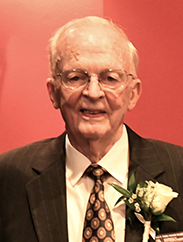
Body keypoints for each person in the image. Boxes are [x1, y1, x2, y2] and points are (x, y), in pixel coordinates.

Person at [0, 16, 183, 242]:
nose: (93, 93)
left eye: (110, 78)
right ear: (53, 92)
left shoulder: (179, 170)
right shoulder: (7, 177)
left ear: (133, 94)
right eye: (75, 77)